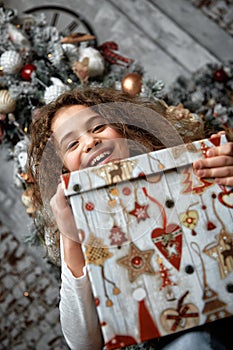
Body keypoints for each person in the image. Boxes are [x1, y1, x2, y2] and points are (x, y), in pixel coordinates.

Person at [27, 87, 233, 350]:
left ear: (123, 130)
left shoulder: (190, 171)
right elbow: (83, 344)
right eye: (72, 144)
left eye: (98, 127)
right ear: (65, 167)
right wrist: (70, 239)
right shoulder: (86, 231)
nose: (89, 142)